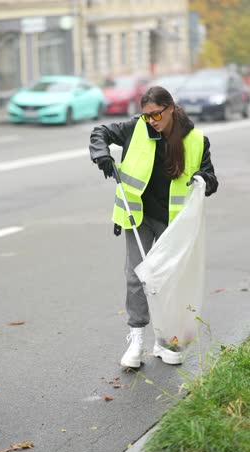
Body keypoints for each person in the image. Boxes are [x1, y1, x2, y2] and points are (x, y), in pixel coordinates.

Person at [89, 86, 218, 368]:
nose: (152, 121)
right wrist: (102, 154)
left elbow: (211, 179)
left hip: (173, 224)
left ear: (171, 107)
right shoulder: (135, 128)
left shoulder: (196, 140)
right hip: (139, 216)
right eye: (147, 116)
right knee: (137, 276)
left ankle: (166, 342)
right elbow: (100, 132)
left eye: (156, 114)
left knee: (168, 282)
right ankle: (136, 339)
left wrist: (201, 179)